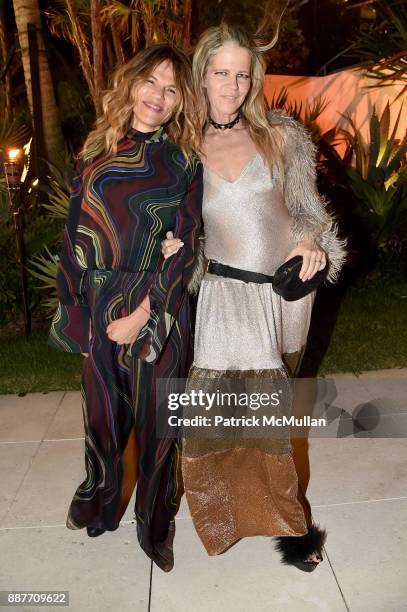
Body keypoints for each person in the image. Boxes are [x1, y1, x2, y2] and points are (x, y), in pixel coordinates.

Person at [161, 23, 347, 571]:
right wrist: (174, 242)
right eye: (222, 72)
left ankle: (282, 521)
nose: (233, 85)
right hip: (223, 292)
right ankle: (225, 519)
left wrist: (312, 239)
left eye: (243, 74)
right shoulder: (179, 147)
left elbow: (307, 210)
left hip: (286, 295)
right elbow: (169, 221)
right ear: (201, 74)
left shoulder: (281, 136)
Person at [48, 43, 203, 572]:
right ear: (132, 82)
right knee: (103, 418)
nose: (158, 96)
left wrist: (141, 316)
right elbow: (75, 231)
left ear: (181, 101)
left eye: (172, 88)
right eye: (151, 82)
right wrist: (74, 306)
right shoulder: (96, 148)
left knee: (160, 426)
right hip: (98, 300)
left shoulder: (184, 160)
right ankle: (102, 503)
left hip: (155, 304)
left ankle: (155, 527)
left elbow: (185, 245)